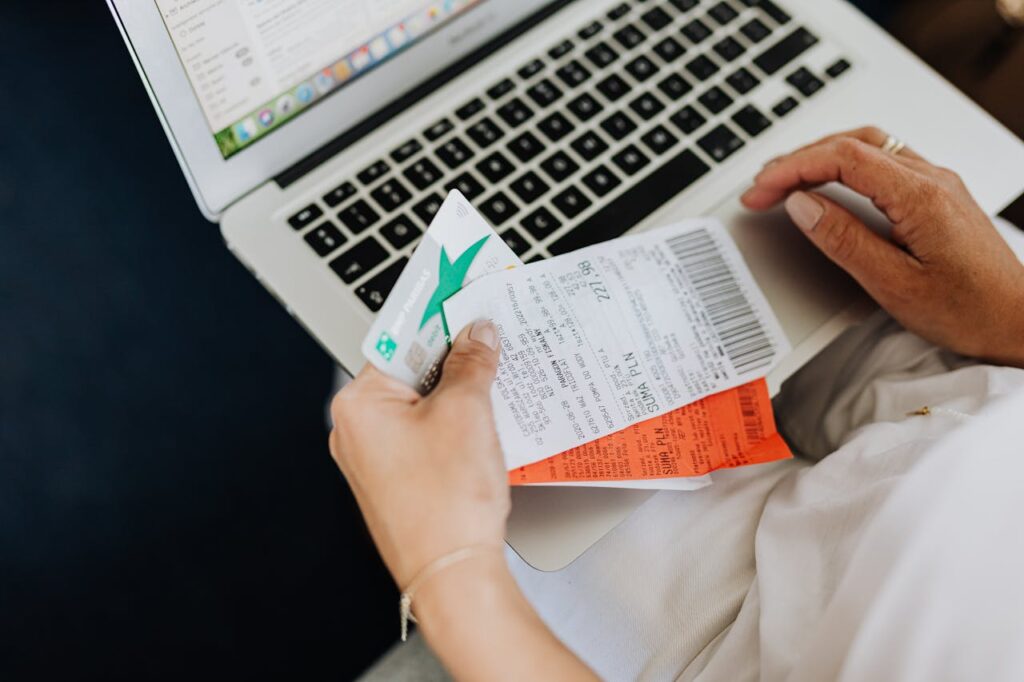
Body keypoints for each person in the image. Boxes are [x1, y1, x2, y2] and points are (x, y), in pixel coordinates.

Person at [330, 127, 1024, 681]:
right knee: (781, 234)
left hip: (762, 640)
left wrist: (448, 569)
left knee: (371, 370)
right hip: (992, 400)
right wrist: (1010, 318)